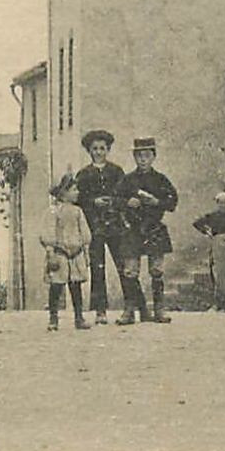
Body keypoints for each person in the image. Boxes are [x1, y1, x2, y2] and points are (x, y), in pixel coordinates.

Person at [114, 137, 179, 325]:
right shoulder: (127, 180)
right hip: (133, 230)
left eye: (147, 156)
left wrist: (157, 202)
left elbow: (173, 201)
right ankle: (129, 310)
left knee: (157, 271)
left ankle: (159, 309)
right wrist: (127, 202)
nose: (143, 159)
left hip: (154, 228)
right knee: (130, 272)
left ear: (153, 157)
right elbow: (115, 200)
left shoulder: (161, 179)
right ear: (135, 157)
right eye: (139, 156)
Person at [74, 129, 128, 324]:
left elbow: (124, 195)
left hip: (115, 226)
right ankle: (100, 311)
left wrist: (112, 202)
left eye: (102, 148)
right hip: (94, 227)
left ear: (108, 150)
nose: (98, 152)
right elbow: (78, 200)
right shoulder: (84, 174)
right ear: (89, 151)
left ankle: (131, 307)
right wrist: (93, 202)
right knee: (98, 268)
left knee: (123, 265)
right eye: (95, 148)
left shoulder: (116, 171)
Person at [41, 173, 92, 330]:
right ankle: (53, 318)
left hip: (75, 255)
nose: (77, 192)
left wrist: (86, 251)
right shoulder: (53, 211)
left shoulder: (78, 211)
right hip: (59, 254)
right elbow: (48, 231)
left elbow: (84, 232)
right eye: (74, 189)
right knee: (56, 287)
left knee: (75, 287)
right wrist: (50, 252)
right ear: (64, 193)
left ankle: (79, 317)